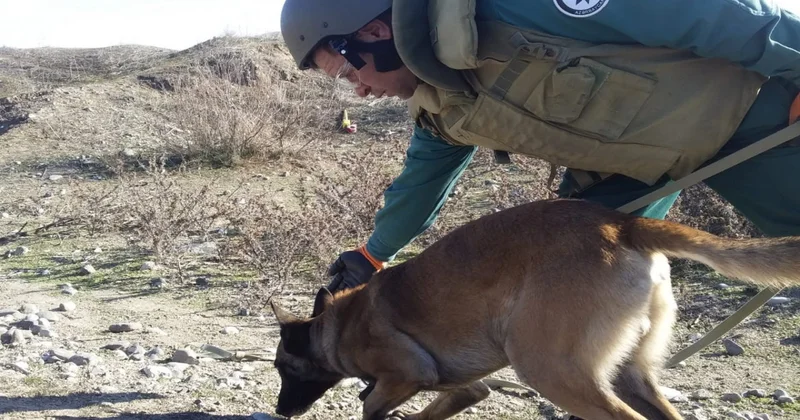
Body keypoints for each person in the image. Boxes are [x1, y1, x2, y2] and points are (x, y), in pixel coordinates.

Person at [280, 0, 800, 293]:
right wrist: (372, 255)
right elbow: (421, 183)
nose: (361, 92)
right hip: (637, 171)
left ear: (374, 32)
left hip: (755, 116)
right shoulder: (438, 100)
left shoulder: (516, 8)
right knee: (574, 277)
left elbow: (699, 11)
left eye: (352, 73)